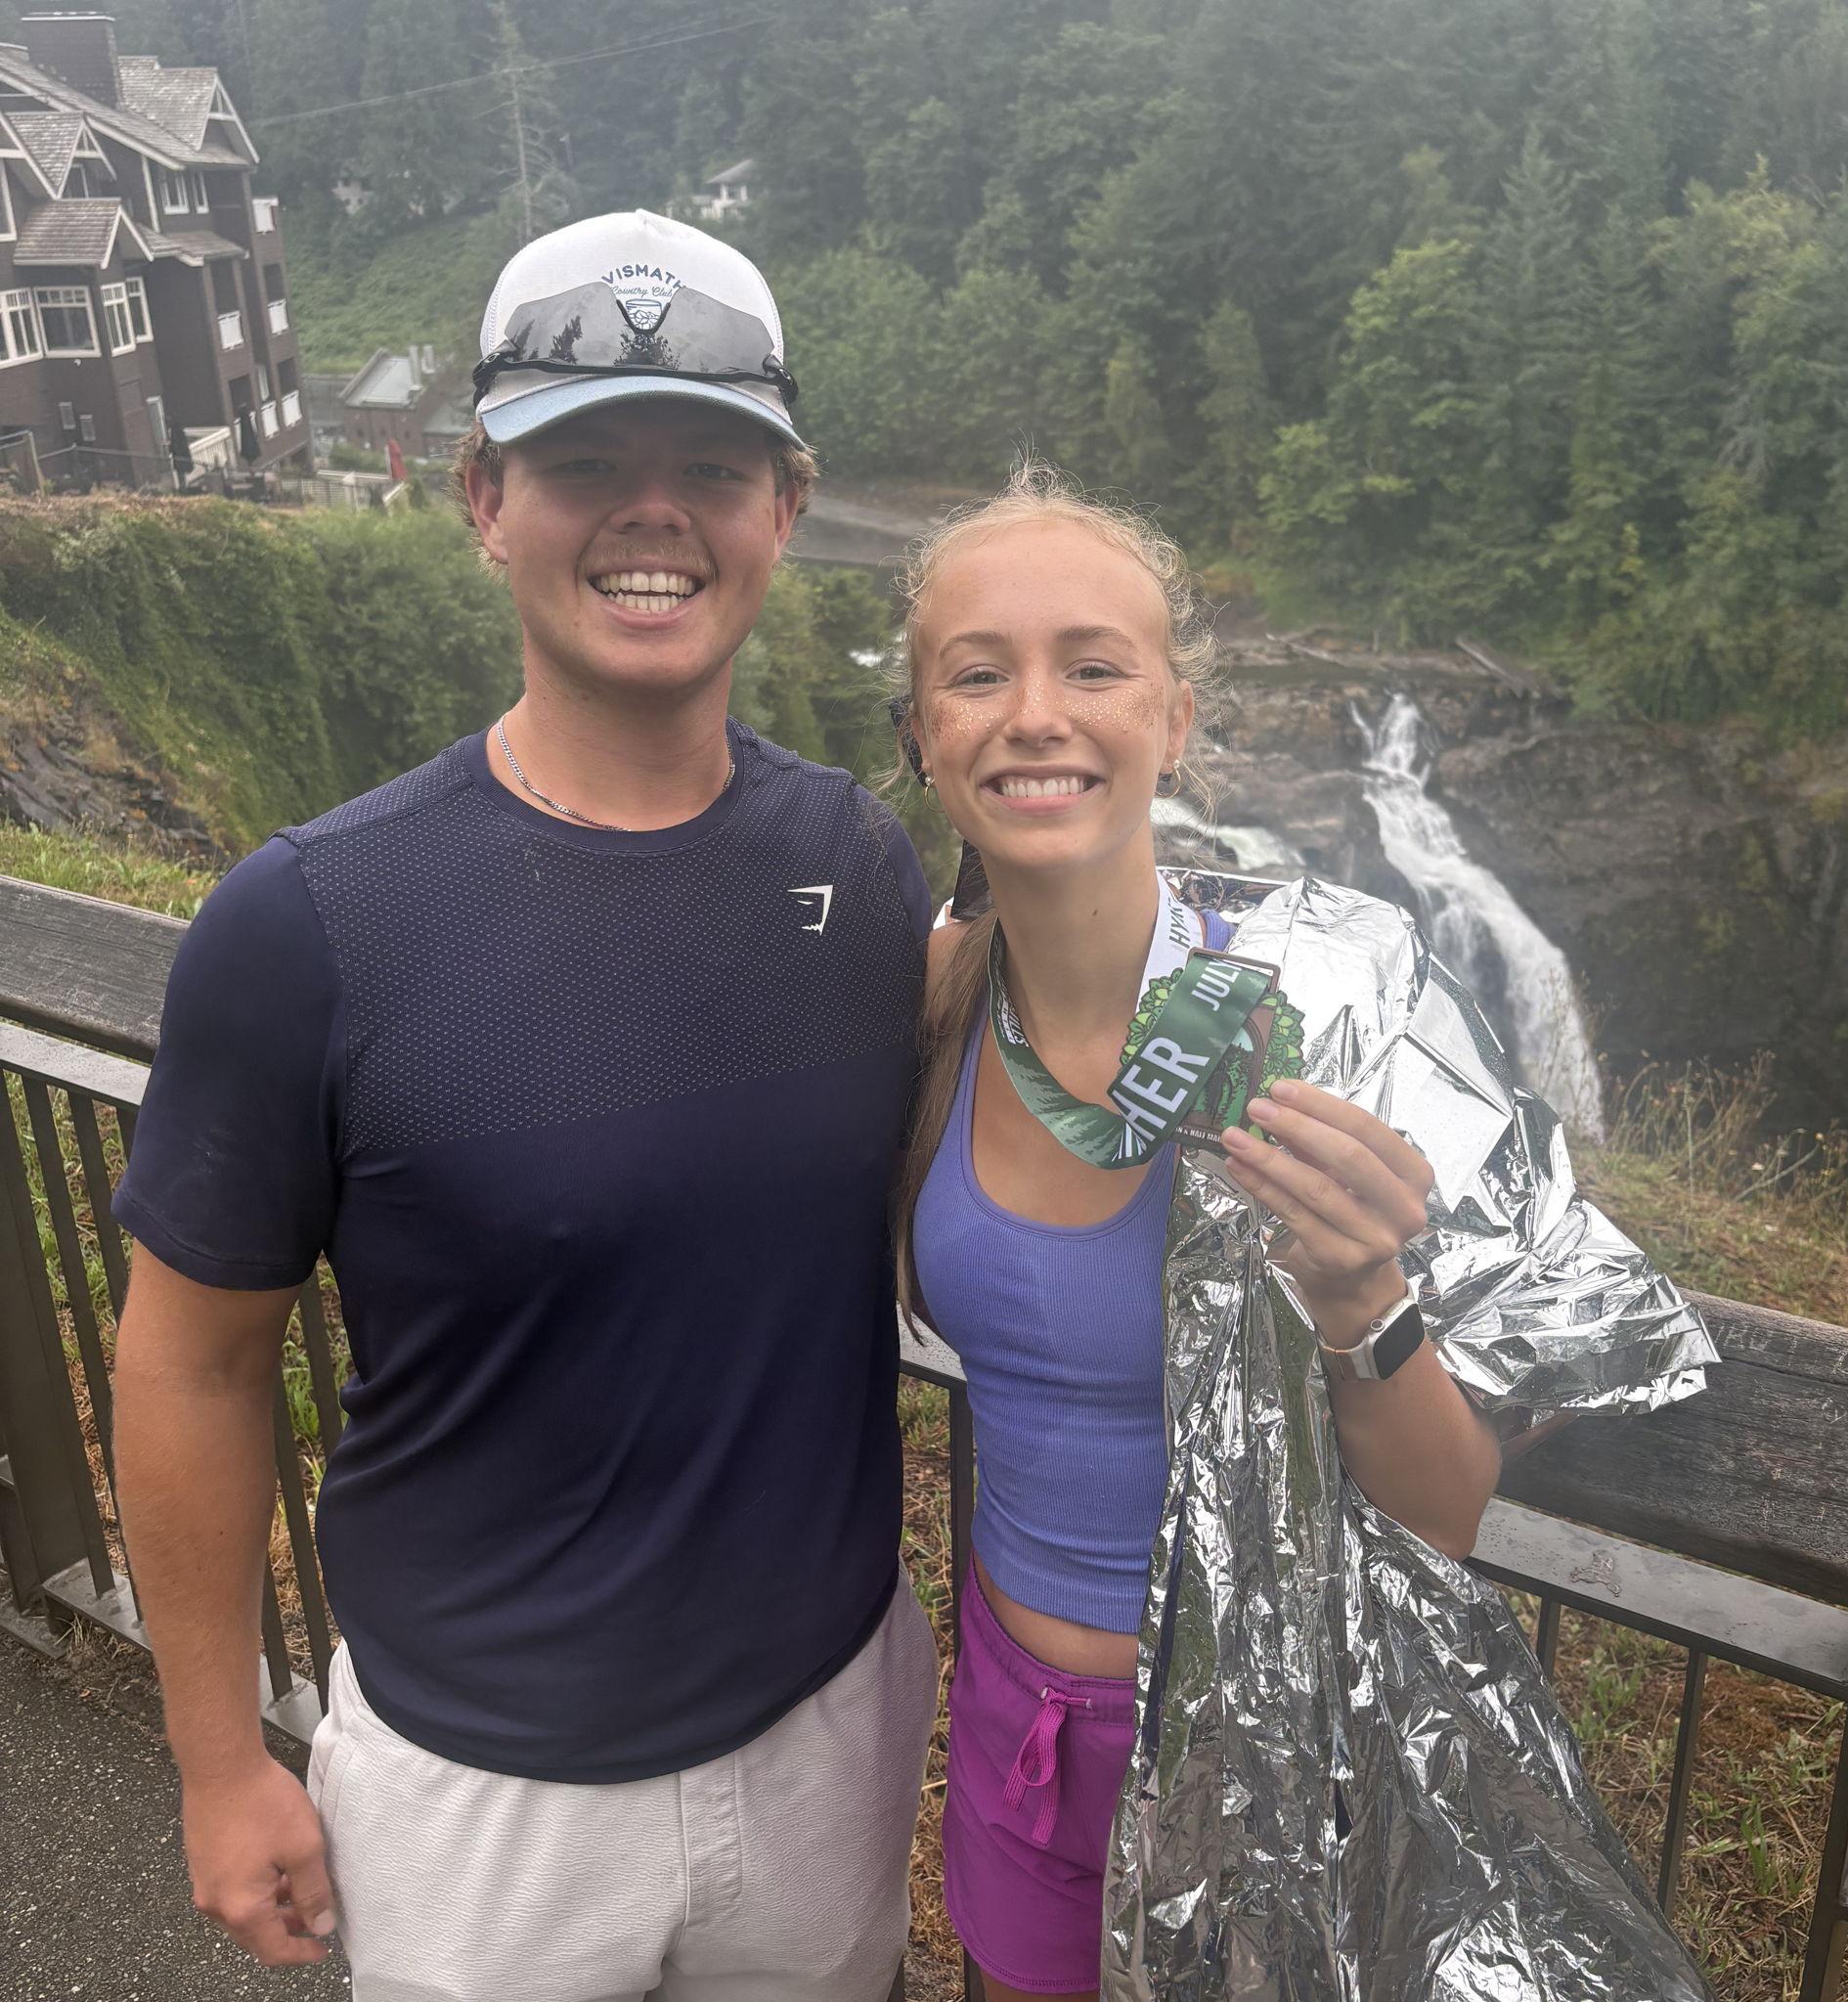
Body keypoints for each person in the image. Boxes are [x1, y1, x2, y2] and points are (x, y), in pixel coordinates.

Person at [110, 209, 939, 2002]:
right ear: (483, 498)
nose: (656, 514)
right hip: (477, 1797)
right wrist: (214, 1758)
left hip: (825, 1732)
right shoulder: (310, 922)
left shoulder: (858, 871)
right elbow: (188, 1358)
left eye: (710, 464)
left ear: (783, 514)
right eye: (586, 461)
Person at [890, 462, 1505, 2002]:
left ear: (1175, 718)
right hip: (1015, 1732)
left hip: (1267, 1762)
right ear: (922, 736)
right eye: (979, 674)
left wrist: (1366, 1294)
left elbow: (1447, 1514)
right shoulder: (928, 1008)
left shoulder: (1326, 1023)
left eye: (1095, 666)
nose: (1037, 713)